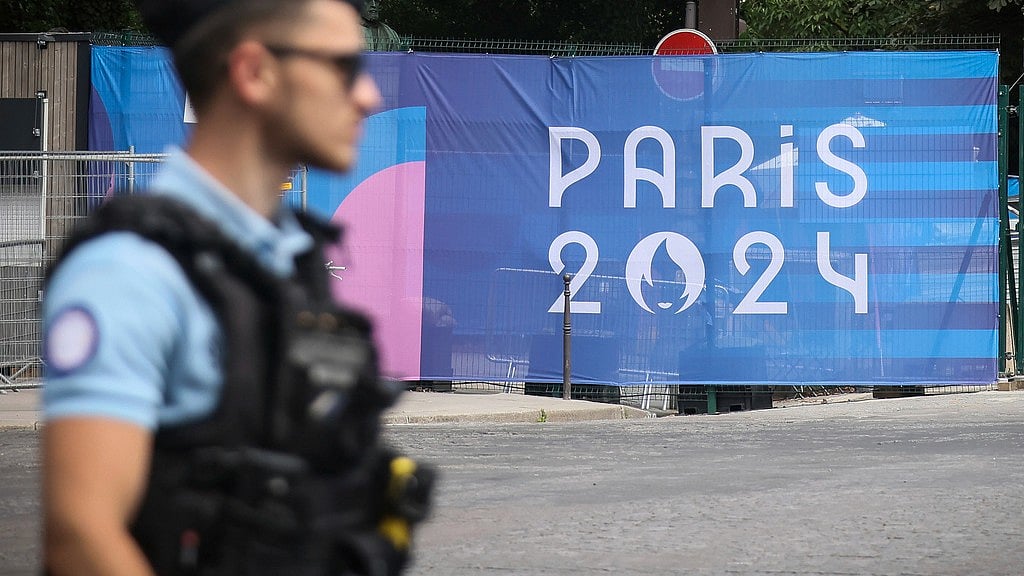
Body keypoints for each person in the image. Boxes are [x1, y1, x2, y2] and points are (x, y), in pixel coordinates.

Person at [41, 1, 431, 575]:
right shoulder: (131, 272)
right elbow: (81, 538)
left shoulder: (288, 261)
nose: (368, 96)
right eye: (343, 67)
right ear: (254, 72)